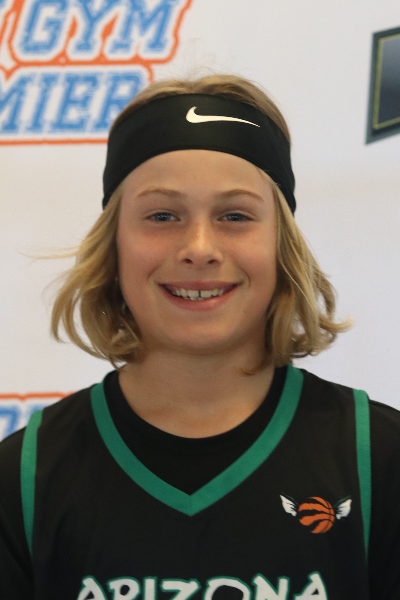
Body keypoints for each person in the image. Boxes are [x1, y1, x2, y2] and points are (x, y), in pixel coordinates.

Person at [0, 74, 399, 600]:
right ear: (113, 245)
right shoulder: (26, 477)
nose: (200, 248)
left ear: (281, 246)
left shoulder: (379, 459)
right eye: (162, 215)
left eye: (235, 215)